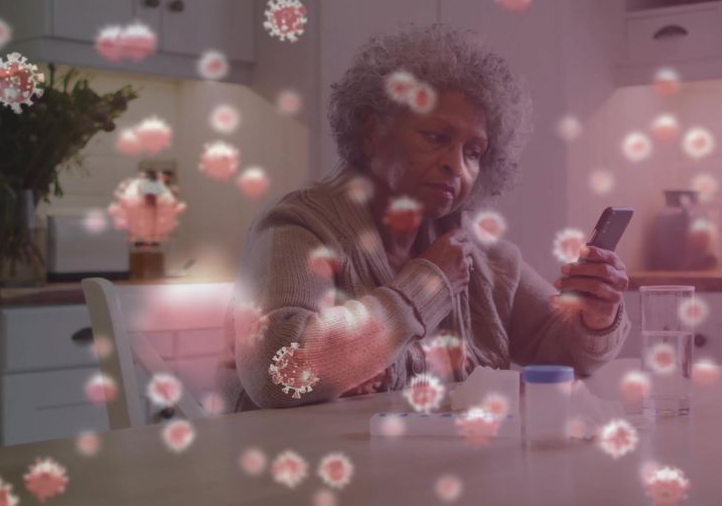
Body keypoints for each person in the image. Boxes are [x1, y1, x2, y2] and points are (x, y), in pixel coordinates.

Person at [215, 23, 630, 411]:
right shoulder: (298, 226)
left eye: (474, 152)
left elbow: (563, 354)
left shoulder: (484, 257)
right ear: (372, 128)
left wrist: (596, 317)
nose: (458, 166)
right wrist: (428, 283)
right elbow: (281, 371)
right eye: (436, 137)